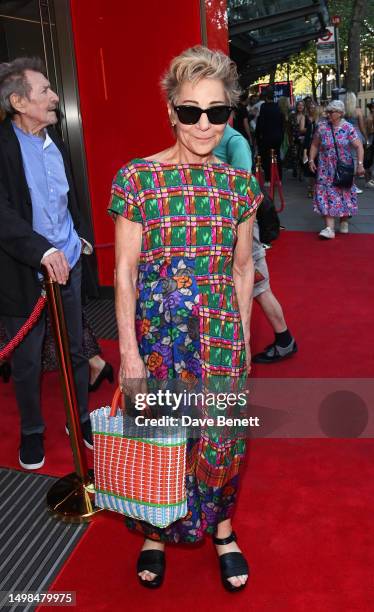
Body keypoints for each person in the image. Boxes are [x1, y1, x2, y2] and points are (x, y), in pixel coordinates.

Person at [108, 46, 262, 592]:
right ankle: (155, 528)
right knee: (161, 437)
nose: (203, 124)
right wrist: (128, 353)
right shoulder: (137, 180)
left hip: (220, 336)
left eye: (217, 112)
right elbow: (124, 275)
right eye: (191, 110)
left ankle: (222, 528)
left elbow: (243, 270)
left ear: (230, 115)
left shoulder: (240, 187)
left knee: (221, 441)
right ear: (171, 111)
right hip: (160, 340)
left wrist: (242, 336)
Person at [0, 57, 93, 470]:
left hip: (69, 263)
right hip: (24, 271)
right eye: (45, 91)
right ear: (19, 101)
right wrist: (42, 250)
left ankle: (80, 418)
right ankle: (32, 432)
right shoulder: (2, 147)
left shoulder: (55, 140)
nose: (55, 97)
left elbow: (67, 199)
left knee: (75, 349)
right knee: (27, 360)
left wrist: (78, 235)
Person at [214, 125, 297, 364]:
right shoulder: (213, 137)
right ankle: (283, 340)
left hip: (240, 228)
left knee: (259, 287)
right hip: (227, 227)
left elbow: (244, 190)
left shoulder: (234, 140)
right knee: (252, 288)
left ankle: (284, 340)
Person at [308, 99, 364, 239]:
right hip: (325, 167)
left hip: (343, 167)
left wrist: (360, 164)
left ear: (340, 113)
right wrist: (310, 160)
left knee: (344, 193)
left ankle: (344, 220)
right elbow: (314, 144)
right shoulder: (322, 127)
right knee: (325, 194)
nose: (328, 115)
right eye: (327, 112)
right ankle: (329, 228)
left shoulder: (348, 128)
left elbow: (359, 146)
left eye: (331, 112)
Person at [255, 87, 284, 184]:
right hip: (277, 136)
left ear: (266, 97)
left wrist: (258, 135)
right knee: (277, 156)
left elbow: (261, 123)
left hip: (267, 136)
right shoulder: (278, 107)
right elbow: (281, 123)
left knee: (267, 157)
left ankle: (268, 179)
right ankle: (278, 179)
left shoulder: (264, 107)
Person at [344, 92, 367, 194]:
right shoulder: (358, 111)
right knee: (354, 159)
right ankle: (352, 185)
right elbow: (362, 127)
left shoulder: (343, 111)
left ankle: (347, 183)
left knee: (345, 159)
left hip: (344, 136)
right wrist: (366, 138)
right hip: (356, 136)